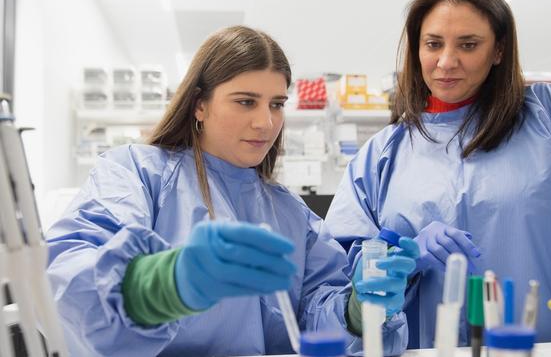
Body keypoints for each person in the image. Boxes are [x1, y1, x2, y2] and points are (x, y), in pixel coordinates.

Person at [46, 26, 418, 356]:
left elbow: (315, 315)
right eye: (245, 102)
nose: (266, 122)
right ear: (199, 105)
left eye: (277, 104)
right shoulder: (138, 173)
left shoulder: (290, 212)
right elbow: (69, 274)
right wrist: (166, 283)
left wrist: (356, 310)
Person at [323, 0, 551, 349]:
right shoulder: (381, 154)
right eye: (433, 44)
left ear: (498, 50)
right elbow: (344, 285)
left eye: (468, 44)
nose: (446, 62)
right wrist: (403, 262)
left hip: (548, 348)